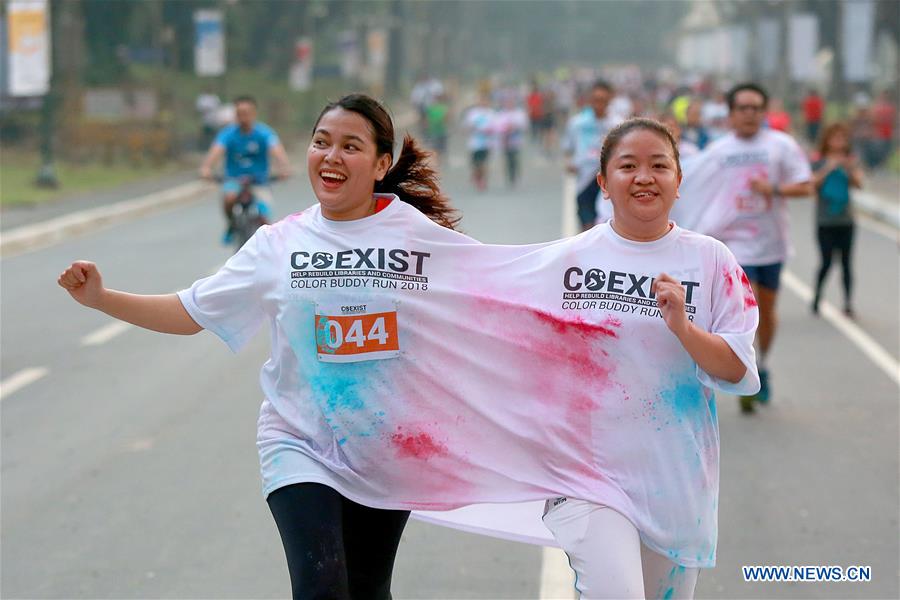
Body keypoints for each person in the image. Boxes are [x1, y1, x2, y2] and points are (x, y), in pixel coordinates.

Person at [60, 94, 462, 599]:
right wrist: (100, 297)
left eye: (350, 146)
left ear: (382, 164)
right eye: (321, 143)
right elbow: (189, 313)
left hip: (382, 444)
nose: (331, 156)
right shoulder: (278, 245)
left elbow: (498, 295)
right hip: (300, 442)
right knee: (320, 589)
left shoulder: (418, 239)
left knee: (366, 589)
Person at [542, 118, 759, 599]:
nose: (644, 176)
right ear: (602, 182)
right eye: (628, 166)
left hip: (674, 481)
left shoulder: (712, 261)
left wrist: (683, 327)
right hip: (588, 475)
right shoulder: (567, 261)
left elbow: (739, 370)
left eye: (659, 165)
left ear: (678, 182)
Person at [704, 83, 812, 413]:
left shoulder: (782, 145)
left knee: (766, 310)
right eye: (743, 108)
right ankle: (745, 375)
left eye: (755, 108)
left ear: (763, 112)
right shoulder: (717, 151)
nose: (749, 114)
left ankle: (762, 364)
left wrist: (773, 189)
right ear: (731, 114)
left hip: (772, 245)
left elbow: (805, 187)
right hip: (735, 244)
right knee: (744, 311)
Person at [199, 95, 292, 244]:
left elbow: (277, 151)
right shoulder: (228, 134)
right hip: (234, 180)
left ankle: (267, 245)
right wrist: (206, 168)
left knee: (264, 216)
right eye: (240, 113)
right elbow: (216, 151)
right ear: (235, 115)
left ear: (254, 113)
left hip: (259, 181)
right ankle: (232, 224)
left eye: (247, 113)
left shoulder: (264, 133)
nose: (244, 117)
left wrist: (285, 168)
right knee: (228, 198)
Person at [811, 122, 863, 317]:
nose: (839, 142)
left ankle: (848, 302)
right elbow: (811, 184)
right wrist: (828, 168)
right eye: (835, 138)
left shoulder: (850, 161)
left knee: (847, 263)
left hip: (846, 220)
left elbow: (859, 183)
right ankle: (817, 297)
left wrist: (847, 168)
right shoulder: (818, 160)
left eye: (843, 138)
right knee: (826, 262)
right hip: (825, 221)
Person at [562, 79, 619, 231]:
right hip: (585, 181)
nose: (598, 104)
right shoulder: (577, 123)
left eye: (603, 100)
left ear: (609, 100)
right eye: (595, 100)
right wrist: (570, 163)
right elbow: (568, 148)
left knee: (605, 227)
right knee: (587, 228)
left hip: (609, 183)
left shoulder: (618, 125)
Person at [493, 94, 529, 187]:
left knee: (514, 158)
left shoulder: (519, 113)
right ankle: (509, 176)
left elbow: (524, 125)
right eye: (507, 102)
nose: (509, 104)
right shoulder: (501, 114)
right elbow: (496, 126)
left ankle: (515, 174)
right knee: (507, 159)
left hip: (516, 141)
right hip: (505, 141)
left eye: (511, 102)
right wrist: (504, 130)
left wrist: (514, 127)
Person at [463, 93, 496, 191]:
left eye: (485, 101)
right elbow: (466, 126)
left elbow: (496, 126)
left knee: (483, 163)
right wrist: (472, 128)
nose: (483, 102)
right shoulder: (473, 113)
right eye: (481, 100)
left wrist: (490, 131)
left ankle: (482, 180)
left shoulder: (491, 113)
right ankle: (476, 175)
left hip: (487, 143)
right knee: (475, 164)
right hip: (474, 143)